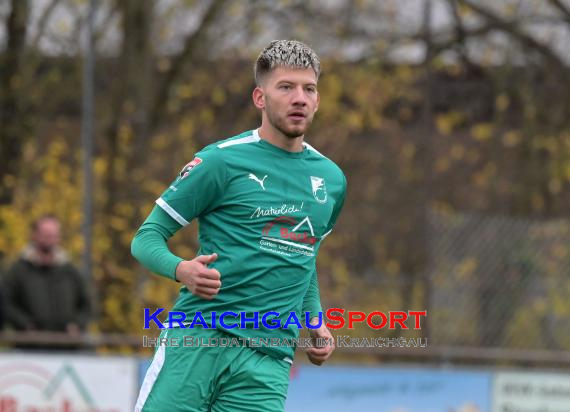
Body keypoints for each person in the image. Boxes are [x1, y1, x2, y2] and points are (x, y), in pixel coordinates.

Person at [132, 40, 347, 412]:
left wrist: (315, 319)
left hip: (268, 362)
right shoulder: (220, 161)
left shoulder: (331, 180)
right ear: (260, 98)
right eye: (286, 87)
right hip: (199, 341)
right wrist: (181, 269)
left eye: (308, 89)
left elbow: (305, 257)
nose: (300, 98)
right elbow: (145, 238)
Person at [3, 215, 91, 342]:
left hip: (67, 349)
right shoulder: (18, 271)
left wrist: (76, 325)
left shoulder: (70, 271)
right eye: (46, 234)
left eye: (54, 235)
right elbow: (7, 304)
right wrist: (25, 325)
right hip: (29, 349)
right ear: (35, 235)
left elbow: (87, 305)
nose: (50, 239)